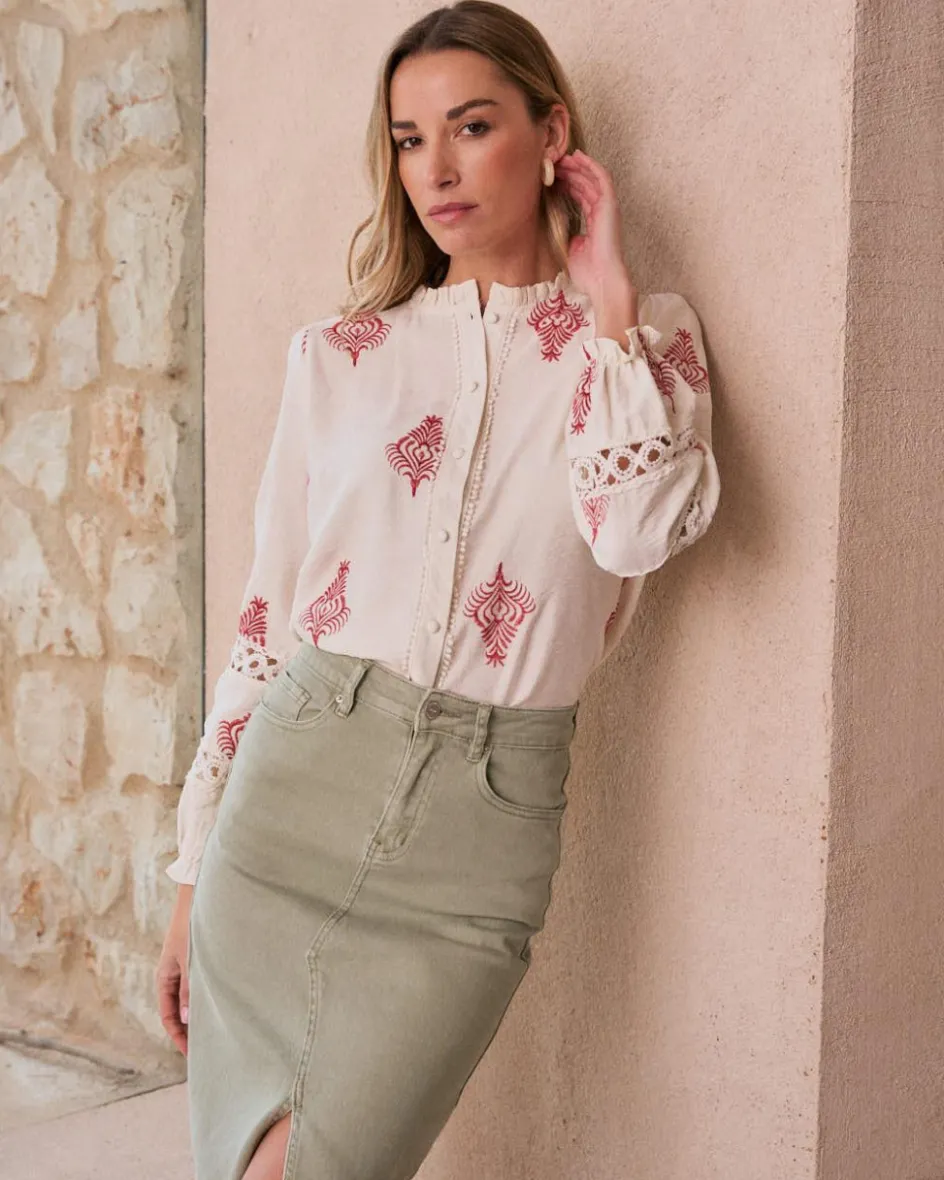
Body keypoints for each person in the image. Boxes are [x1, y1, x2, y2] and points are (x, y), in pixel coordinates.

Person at [155, 2, 721, 1177]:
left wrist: (608, 306)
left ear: (549, 133)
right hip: (292, 793)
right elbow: (266, 615)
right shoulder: (340, 356)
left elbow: (634, 535)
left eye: (470, 127)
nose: (436, 169)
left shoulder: (640, 346)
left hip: (479, 832)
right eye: (409, 140)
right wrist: (190, 870)